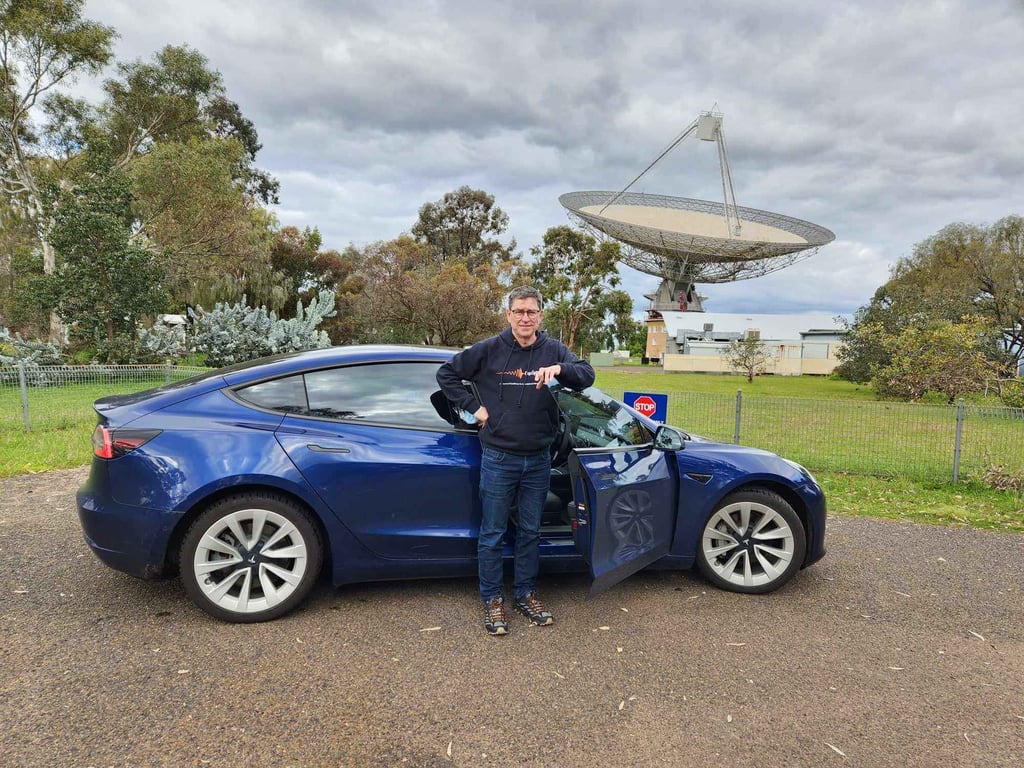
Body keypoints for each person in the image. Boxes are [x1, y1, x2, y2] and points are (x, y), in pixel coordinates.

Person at [436, 286, 595, 635]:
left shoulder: (553, 350)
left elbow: (587, 375)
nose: (525, 318)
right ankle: (492, 599)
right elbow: (446, 375)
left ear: (540, 316)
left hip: (538, 459)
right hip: (498, 457)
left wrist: (559, 369)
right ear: (508, 315)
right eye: (519, 311)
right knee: (492, 532)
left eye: (532, 312)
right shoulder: (489, 350)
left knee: (529, 532)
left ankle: (525, 593)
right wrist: (475, 409)